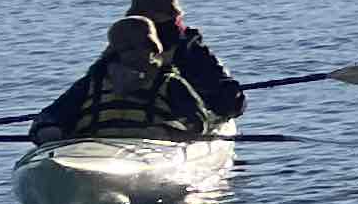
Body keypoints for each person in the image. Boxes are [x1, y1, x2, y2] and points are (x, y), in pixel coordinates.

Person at [29, 16, 218, 146]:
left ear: (154, 49)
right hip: (93, 154)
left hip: (150, 152)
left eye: (143, 47)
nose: (138, 54)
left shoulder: (171, 83)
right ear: (116, 52)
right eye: (128, 49)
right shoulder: (90, 84)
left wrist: (169, 132)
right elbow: (51, 115)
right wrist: (48, 129)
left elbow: (197, 120)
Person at [126, 0, 245, 122]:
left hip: (114, 126)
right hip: (168, 127)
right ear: (174, 13)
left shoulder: (117, 48)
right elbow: (230, 105)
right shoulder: (190, 50)